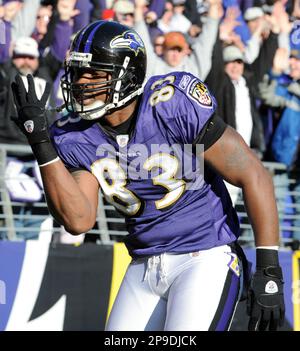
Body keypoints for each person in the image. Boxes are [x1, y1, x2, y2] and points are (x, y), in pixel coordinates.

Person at [11, 20, 285, 331]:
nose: (81, 83)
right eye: (77, 72)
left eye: (94, 73)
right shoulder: (76, 135)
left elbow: (253, 174)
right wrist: (41, 142)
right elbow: (79, 220)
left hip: (204, 255)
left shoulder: (171, 104)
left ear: (126, 76)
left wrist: (269, 267)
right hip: (142, 264)